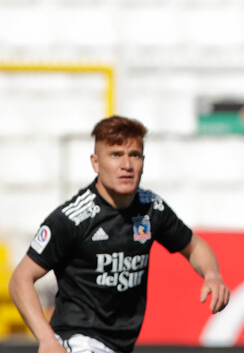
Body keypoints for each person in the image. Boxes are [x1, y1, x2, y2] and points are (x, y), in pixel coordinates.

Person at [8, 116, 230, 353]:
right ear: (96, 162)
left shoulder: (151, 208)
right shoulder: (72, 219)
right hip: (79, 340)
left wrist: (212, 274)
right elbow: (20, 279)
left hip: (120, 344)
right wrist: (47, 340)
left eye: (134, 155)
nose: (127, 164)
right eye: (115, 155)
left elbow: (194, 246)